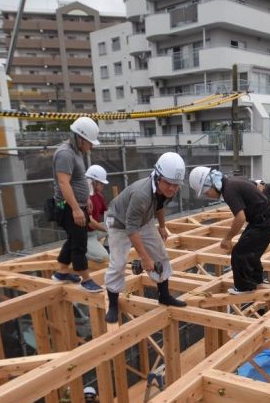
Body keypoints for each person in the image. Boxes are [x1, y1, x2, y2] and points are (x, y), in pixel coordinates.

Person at [104, 151, 188, 323]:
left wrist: (162, 226)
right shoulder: (141, 194)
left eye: (176, 185)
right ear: (157, 176)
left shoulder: (167, 190)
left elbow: (160, 206)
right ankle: (113, 304)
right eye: (169, 183)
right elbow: (131, 229)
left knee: (161, 254)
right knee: (118, 263)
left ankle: (164, 296)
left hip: (144, 218)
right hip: (118, 222)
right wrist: (145, 258)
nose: (172, 188)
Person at [190, 167, 270, 294]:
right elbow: (258, 186)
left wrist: (228, 238)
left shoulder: (229, 190)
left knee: (239, 253)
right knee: (249, 250)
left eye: (206, 192)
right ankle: (256, 279)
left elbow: (240, 217)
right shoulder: (234, 181)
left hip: (264, 223)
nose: (207, 196)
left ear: (212, 185)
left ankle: (244, 287)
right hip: (265, 221)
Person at [51, 116, 103, 292]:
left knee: (73, 238)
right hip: (67, 207)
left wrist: (86, 199)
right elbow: (64, 183)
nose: (92, 146)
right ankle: (86, 279)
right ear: (80, 138)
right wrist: (75, 209)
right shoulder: (65, 154)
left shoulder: (76, 152)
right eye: (89, 142)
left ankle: (62, 273)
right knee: (80, 241)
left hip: (77, 204)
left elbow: (77, 180)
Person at [85, 164, 110, 264]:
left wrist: (113, 225)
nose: (103, 186)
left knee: (118, 228)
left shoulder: (99, 196)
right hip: (85, 235)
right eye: (101, 184)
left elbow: (107, 213)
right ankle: (80, 250)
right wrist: (107, 228)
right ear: (93, 182)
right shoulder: (84, 198)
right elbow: (90, 222)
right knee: (103, 258)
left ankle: (107, 248)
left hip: (94, 232)